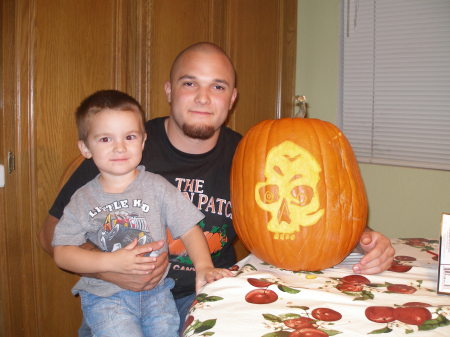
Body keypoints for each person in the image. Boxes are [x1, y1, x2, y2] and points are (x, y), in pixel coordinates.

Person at [39, 42, 395, 335]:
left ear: (232, 98)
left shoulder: (253, 155)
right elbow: (52, 234)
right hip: (117, 301)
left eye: (218, 86)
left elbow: (308, 208)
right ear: (169, 90)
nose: (203, 98)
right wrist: (106, 268)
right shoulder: (121, 146)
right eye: (189, 83)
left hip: (208, 293)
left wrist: (362, 234)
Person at [52, 89, 232, 337]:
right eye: (105, 139)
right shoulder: (83, 199)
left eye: (129, 136)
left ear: (143, 141)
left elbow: (189, 227)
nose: (119, 147)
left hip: (158, 295)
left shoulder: (157, 186)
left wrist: (203, 266)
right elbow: (62, 252)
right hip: (107, 297)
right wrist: (110, 262)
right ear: (85, 148)